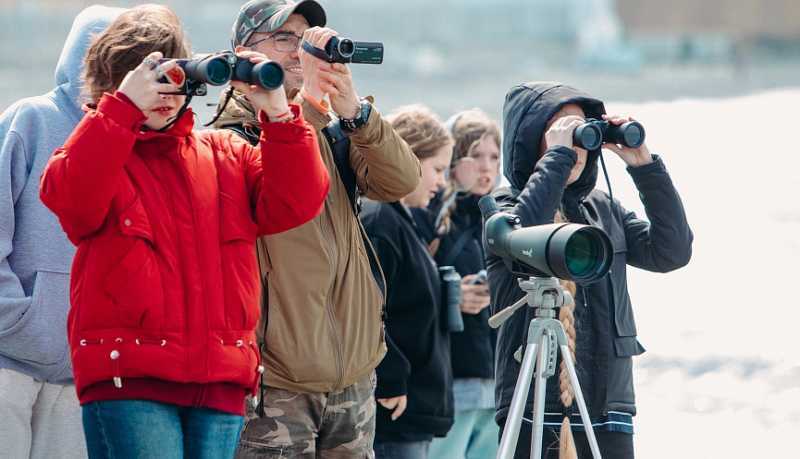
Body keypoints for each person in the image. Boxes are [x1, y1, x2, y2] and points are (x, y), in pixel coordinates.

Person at [38, 5, 329, 459]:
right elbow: (72, 200)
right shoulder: (98, 149)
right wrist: (121, 110)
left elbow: (297, 203)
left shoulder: (227, 154)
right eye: (151, 81)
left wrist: (277, 113)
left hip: (219, 386)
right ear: (113, 84)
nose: (166, 94)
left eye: (177, 77)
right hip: (130, 382)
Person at [215, 1, 421, 457]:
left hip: (352, 374)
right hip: (276, 383)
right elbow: (285, 180)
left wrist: (354, 111)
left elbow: (402, 181)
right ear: (243, 52)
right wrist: (306, 103)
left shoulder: (334, 131)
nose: (299, 51)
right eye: (285, 38)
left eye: (307, 40)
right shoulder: (228, 139)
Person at [488, 82, 693, 459]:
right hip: (533, 403)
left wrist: (644, 166)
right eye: (561, 132)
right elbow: (523, 241)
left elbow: (672, 251)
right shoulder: (502, 207)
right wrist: (559, 156)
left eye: (582, 134)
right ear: (532, 139)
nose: (577, 148)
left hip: (606, 401)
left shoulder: (605, 209)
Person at [0, 6, 123, 459]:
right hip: (6, 360)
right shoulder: (29, 119)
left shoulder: (134, 140)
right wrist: (17, 318)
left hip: (83, 372)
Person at [360, 105, 455, 459]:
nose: (442, 182)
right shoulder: (381, 220)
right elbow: (367, 309)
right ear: (408, 158)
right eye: (438, 170)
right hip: (394, 412)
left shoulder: (402, 221)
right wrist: (390, 378)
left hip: (410, 410)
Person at [412, 109, 501, 459]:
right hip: (447, 379)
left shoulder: (501, 220)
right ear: (452, 160)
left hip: (494, 381)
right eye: (475, 156)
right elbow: (403, 283)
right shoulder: (427, 213)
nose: (486, 167)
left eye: (494, 157)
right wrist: (453, 295)